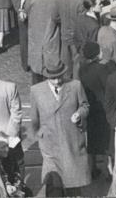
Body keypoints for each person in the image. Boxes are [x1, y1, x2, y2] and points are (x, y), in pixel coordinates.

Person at [28, 59, 90, 195]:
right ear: (46, 76)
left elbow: (85, 105)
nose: (56, 81)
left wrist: (79, 114)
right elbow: (34, 118)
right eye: (52, 78)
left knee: (74, 182)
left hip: (71, 140)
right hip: (49, 144)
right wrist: (40, 136)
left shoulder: (75, 86)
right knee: (54, 183)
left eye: (59, 77)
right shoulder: (36, 91)